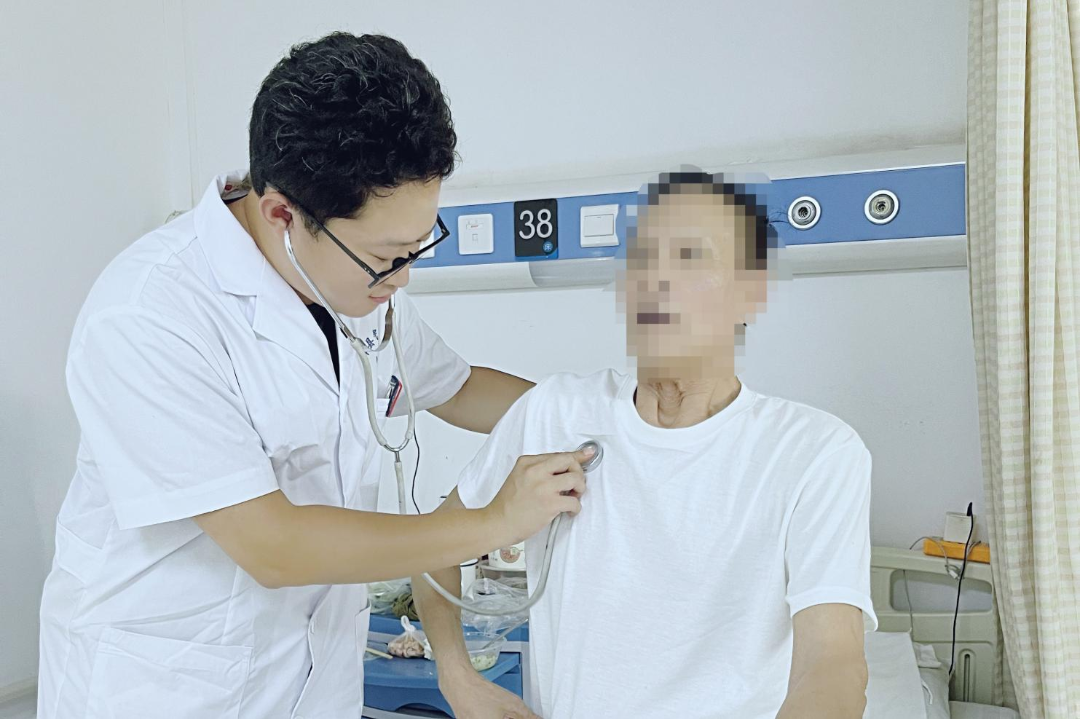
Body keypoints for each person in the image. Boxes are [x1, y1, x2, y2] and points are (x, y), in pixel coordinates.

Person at [37, 32, 590, 719]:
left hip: (313, 686)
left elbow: (462, 388)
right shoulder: (151, 314)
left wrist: (599, 414)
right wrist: (494, 522)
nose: (404, 277)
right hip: (172, 691)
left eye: (418, 245)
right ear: (283, 215)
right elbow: (275, 546)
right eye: (388, 257)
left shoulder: (352, 288)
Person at [415, 171, 877, 719]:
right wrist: (458, 678)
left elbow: (832, 659)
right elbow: (429, 548)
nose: (658, 279)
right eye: (642, 258)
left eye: (690, 258)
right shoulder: (556, 412)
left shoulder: (813, 452)